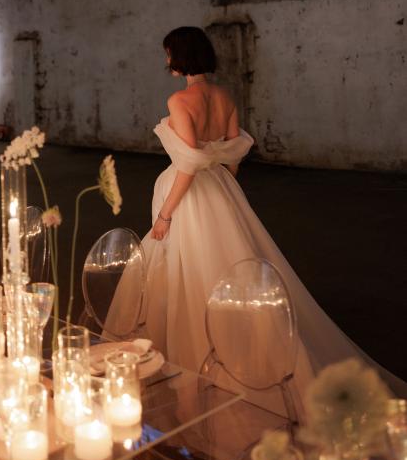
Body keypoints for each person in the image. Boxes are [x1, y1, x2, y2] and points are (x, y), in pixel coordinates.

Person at [106, 25, 405, 402]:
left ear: (178, 58)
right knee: (231, 264)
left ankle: (191, 355)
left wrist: (165, 214)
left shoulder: (179, 103)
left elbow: (187, 165)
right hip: (221, 187)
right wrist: (225, 190)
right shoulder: (225, 97)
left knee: (189, 264)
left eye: (168, 53)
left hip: (189, 193)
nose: (166, 60)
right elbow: (232, 155)